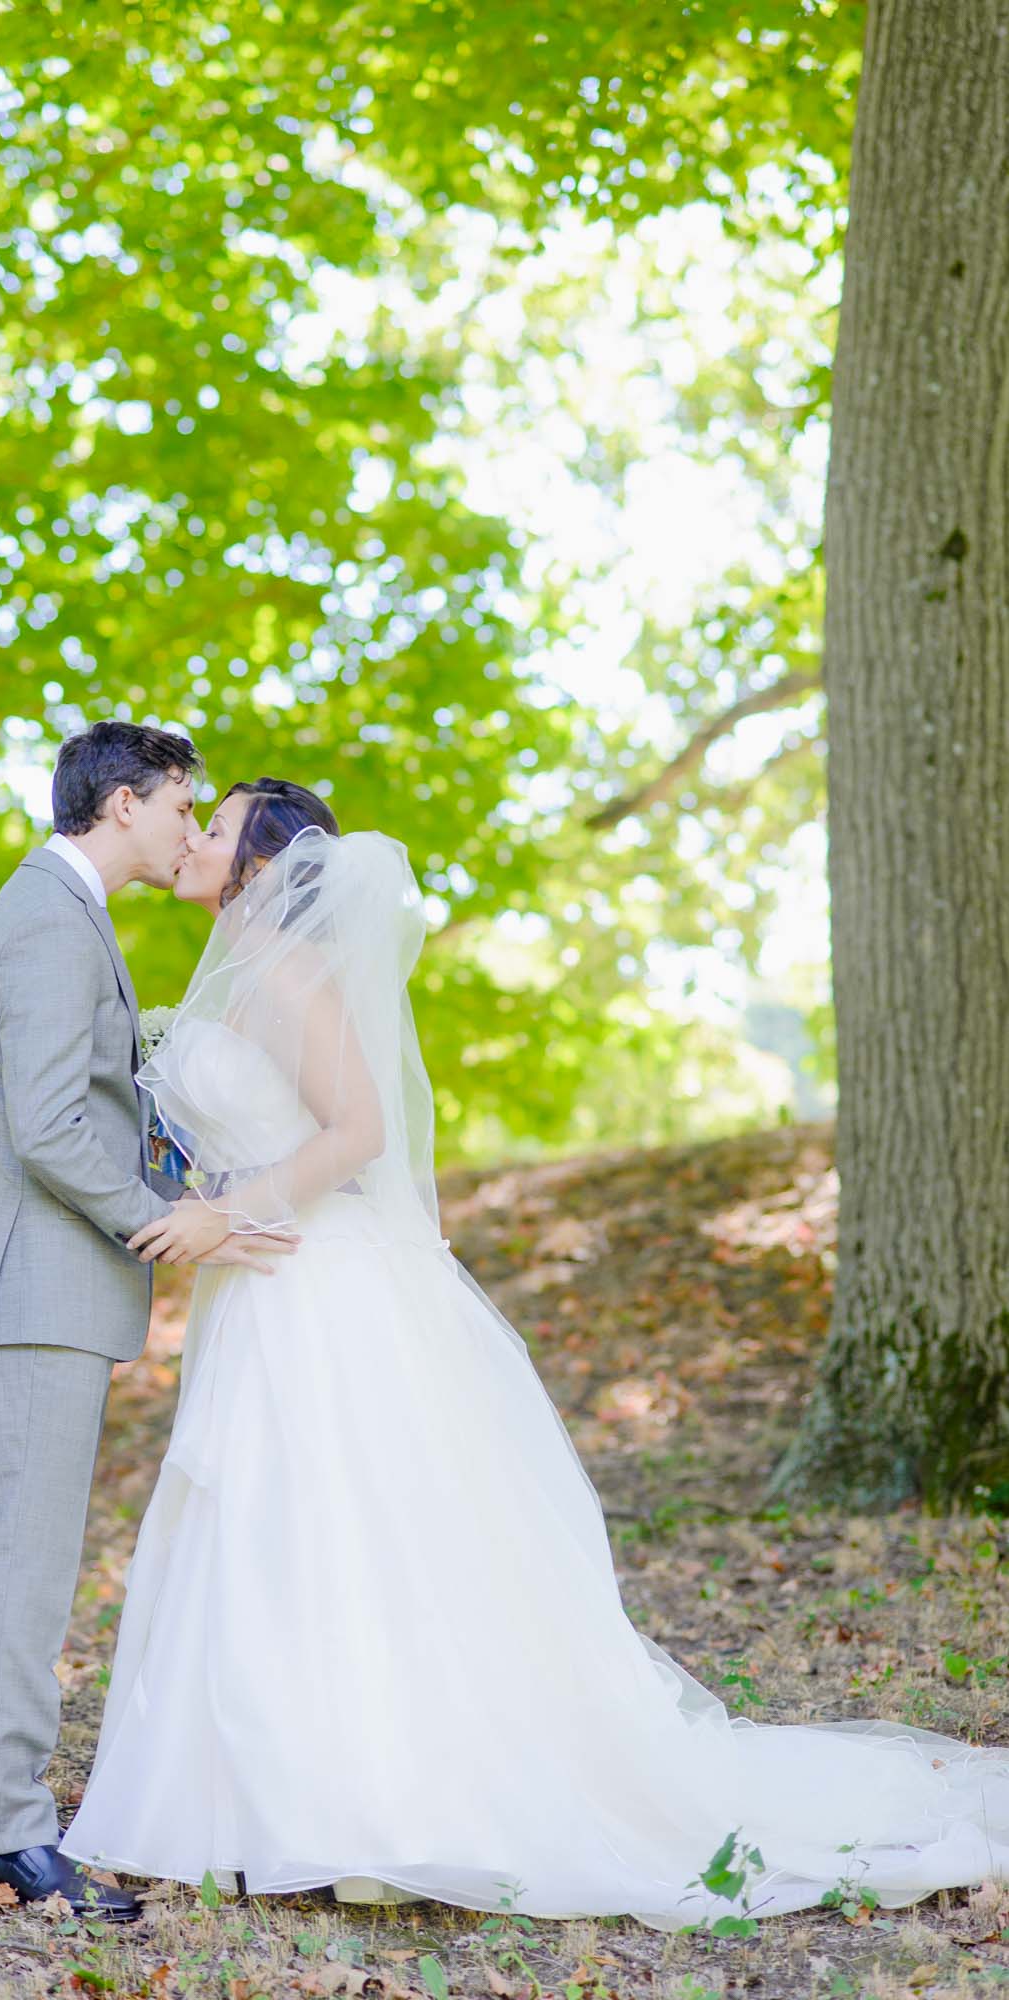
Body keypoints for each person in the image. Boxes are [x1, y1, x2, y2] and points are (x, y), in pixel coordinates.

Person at [59, 775, 1009, 1928]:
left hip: (317, 1282)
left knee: (337, 1519)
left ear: (263, 862)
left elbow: (358, 1134)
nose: (195, 835)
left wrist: (230, 1211)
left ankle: (371, 1802)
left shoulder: (293, 977)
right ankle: (257, 1801)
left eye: (216, 825)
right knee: (267, 1523)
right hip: (267, 1282)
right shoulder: (241, 976)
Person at [0, 725, 297, 1921]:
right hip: (37, 1286)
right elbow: (46, 1125)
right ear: (126, 800)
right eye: (183, 808)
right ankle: (4, 1837)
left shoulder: (61, 908)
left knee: (25, 1558)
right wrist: (160, 1216)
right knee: (23, 1564)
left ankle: (1, 1821)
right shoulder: (48, 912)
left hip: (52, 1289)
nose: (193, 831)